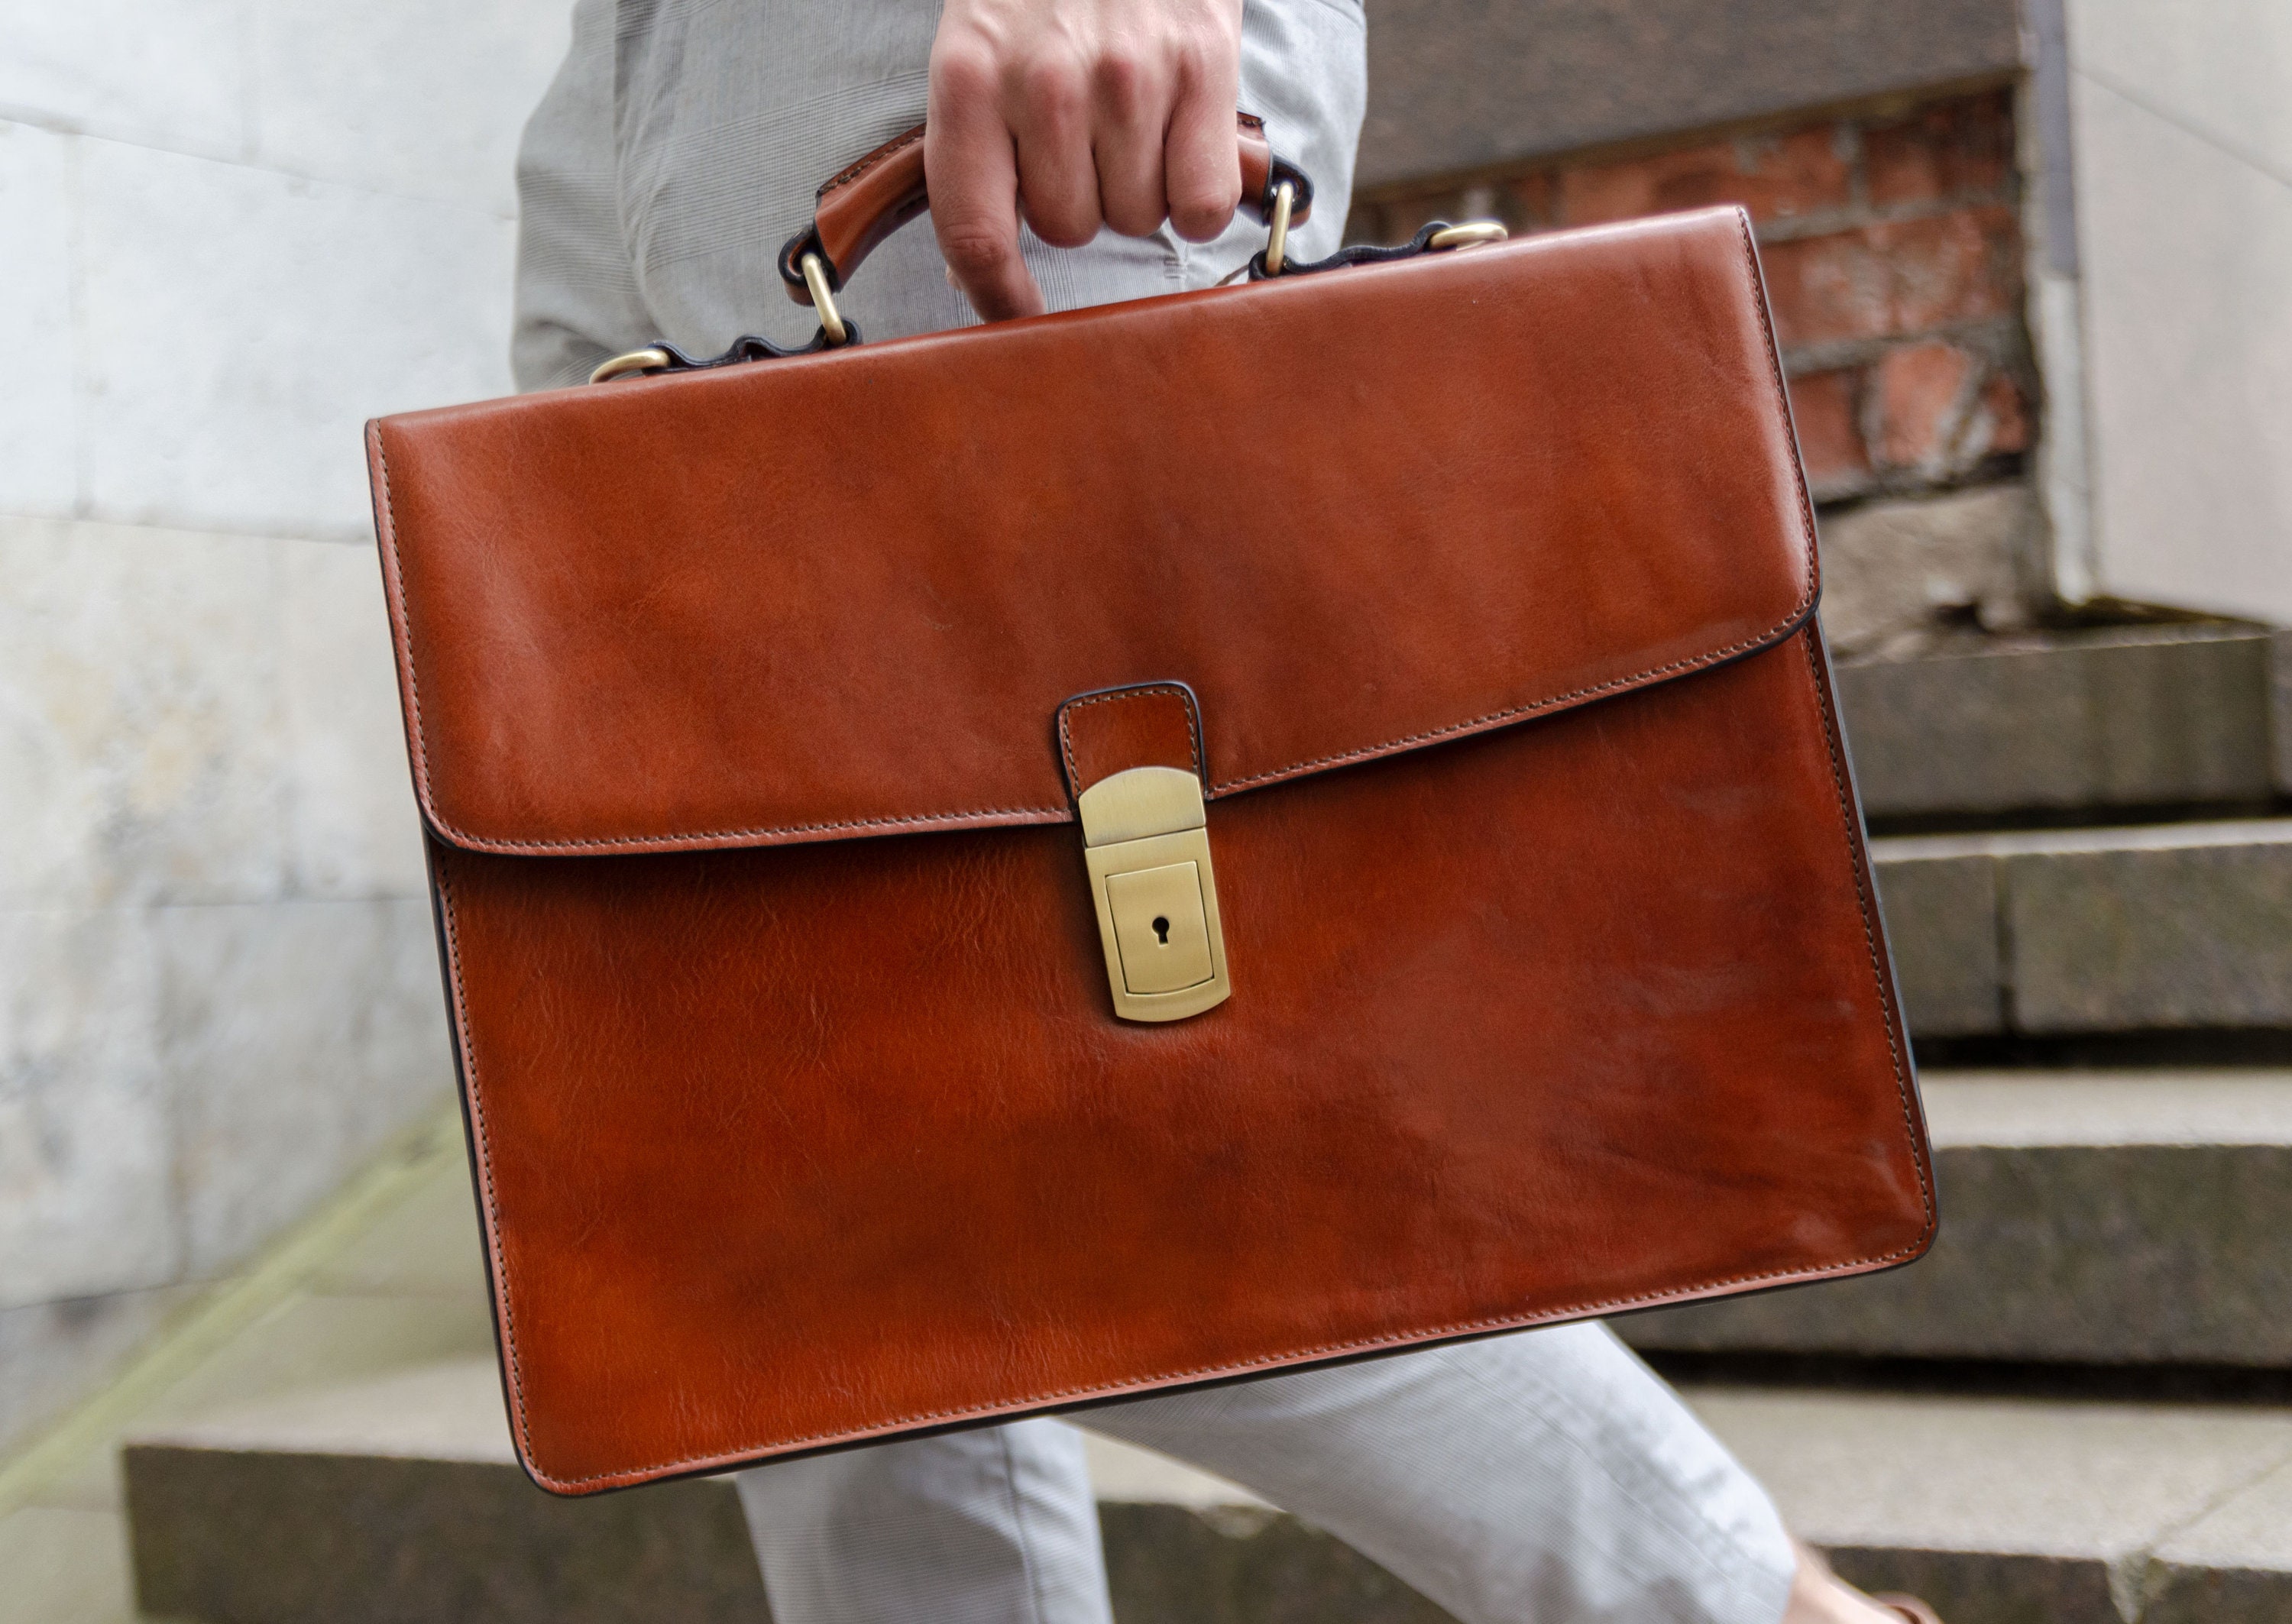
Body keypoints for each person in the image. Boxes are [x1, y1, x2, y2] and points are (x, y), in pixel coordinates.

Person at [510, 5, 1941, 1621]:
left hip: (941, 48)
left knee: (1098, 1111)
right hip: (638, 86)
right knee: (768, 1066)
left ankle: (1744, 1606)